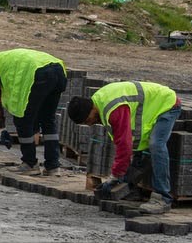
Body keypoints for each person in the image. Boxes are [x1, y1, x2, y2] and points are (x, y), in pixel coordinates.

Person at [69, 81, 182, 215]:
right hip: (151, 108)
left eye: (88, 120)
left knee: (156, 144)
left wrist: (115, 175)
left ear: (91, 110)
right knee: (139, 152)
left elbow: (124, 146)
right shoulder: (99, 102)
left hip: (167, 104)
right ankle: (132, 190)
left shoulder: (113, 110)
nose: (90, 124)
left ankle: (163, 198)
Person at [0, 48, 67, 175]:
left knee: (23, 119)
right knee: (48, 119)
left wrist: (1, 128)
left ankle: (30, 164)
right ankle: (53, 166)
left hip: (39, 73)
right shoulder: (10, 57)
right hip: (59, 70)